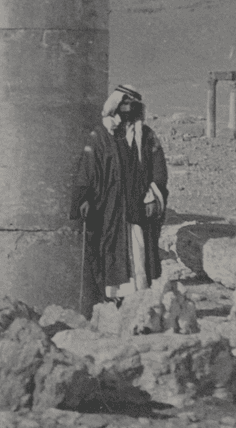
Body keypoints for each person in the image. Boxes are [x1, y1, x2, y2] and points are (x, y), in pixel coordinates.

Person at [71, 84, 169, 305]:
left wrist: (153, 195)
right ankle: (116, 301)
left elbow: (159, 168)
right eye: (123, 103)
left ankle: (139, 298)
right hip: (110, 208)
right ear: (115, 104)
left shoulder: (147, 135)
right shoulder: (100, 135)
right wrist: (84, 197)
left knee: (140, 250)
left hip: (138, 206)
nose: (127, 108)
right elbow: (88, 167)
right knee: (111, 250)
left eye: (130, 104)